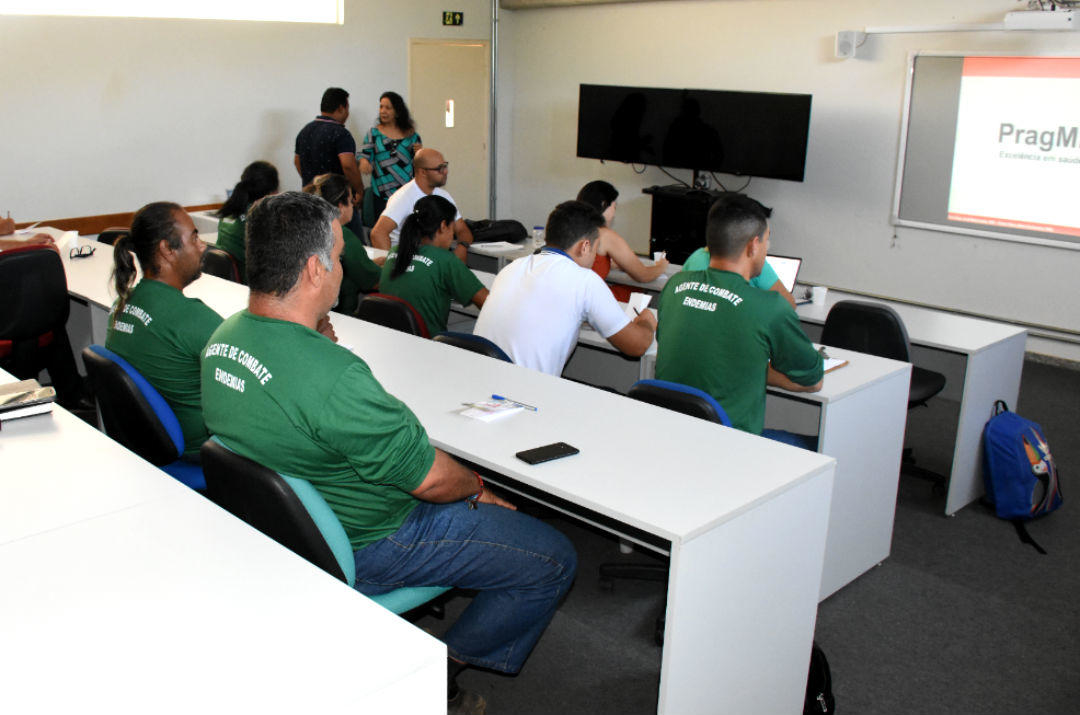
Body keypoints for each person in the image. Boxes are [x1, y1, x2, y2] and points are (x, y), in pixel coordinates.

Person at [200, 192, 576, 715]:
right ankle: (439, 671)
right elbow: (431, 480)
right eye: (338, 256)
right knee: (553, 558)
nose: (343, 267)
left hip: (288, 534)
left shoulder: (223, 339)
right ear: (314, 269)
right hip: (380, 539)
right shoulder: (334, 378)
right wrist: (479, 488)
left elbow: (291, 398)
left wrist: (318, 346)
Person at [655, 194, 822, 449]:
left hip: (673, 437)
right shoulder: (770, 307)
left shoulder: (675, 287)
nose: (766, 249)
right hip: (733, 447)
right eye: (766, 240)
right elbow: (813, 380)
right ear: (753, 246)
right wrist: (758, 369)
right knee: (822, 444)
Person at [474, 200, 657, 376]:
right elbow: (637, 345)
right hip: (524, 391)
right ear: (584, 246)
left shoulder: (513, 267)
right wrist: (647, 321)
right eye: (595, 249)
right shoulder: (585, 280)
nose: (595, 257)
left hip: (479, 379)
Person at [106, 202, 223, 458]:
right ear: (167, 249)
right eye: (194, 238)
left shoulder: (121, 305)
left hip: (148, 443)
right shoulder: (190, 318)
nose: (202, 246)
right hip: (202, 452)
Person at [379, 195, 487, 335]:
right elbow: (487, 302)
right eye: (452, 229)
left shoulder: (395, 251)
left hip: (393, 336)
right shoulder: (446, 260)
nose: (452, 237)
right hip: (428, 341)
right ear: (443, 226)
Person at [679, 197, 797, 309]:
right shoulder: (757, 265)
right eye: (765, 238)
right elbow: (788, 305)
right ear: (754, 244)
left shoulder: (696, 258)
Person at [370, 148, 474, 262]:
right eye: (440, 168)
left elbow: (463, 230)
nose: (445, 171)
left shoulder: (444, 195)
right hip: (409, 260)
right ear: (422, 172)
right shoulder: (403, 197)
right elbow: (378, 233)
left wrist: (462, 247)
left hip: (432, 258)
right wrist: (391, 265)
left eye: (445, 166)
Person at [576, 180, 669, 301]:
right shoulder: (605, 235)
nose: (614, 212)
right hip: (590, 301)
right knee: (637, 291)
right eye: (614, 206)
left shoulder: (572, 228)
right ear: (604, 204)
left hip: (571, 297)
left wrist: (609, 263)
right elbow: (643, 275)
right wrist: (661, 266)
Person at [303, 173, 382, 315]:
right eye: (351, 201)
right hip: (341, 315)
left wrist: (370, 263)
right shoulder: (343, 236)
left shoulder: (307, 228)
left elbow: (353, 267)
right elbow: (375, 281)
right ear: (340, 207)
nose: (353, 206)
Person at [358, 91, 422, 223]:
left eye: (388, 108)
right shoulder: (373, 133)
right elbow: (363, 154)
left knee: (406, 229)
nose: (383, 111)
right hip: (381, 194)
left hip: (406, 194)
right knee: (382, 229)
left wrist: (420, 152)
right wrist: (364, 162)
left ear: (397, 112)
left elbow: (419, 164)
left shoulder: (412, 136)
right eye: (381, 107)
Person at [294, 87, 364, 200]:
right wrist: (359, 191)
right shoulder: (341, 133)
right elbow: (348, 166)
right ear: (341, 108)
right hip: (336, 199)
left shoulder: (304, 131)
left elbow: (297, 161)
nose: (348, 113)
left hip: (309, 199)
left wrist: (313, 184)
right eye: (347, 109)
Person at [215, 160, 279, 283]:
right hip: (251, 284)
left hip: (228, 283)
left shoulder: (228, 211)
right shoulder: (260, 217)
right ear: (273, 191)